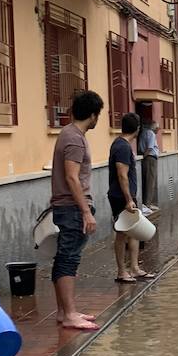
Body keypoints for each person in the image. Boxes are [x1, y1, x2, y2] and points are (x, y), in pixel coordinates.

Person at [50, 90, 104, 331]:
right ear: (93, 115)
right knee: (69, 258)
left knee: (64, 257)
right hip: (72, 207)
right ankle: (70, 313)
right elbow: (72, 177)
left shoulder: (70, 134)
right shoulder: (74, 138)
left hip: (69, 206)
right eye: (98, 115)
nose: (97, 120)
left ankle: (64, 311)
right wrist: (85, 211)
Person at [108, 112, 151, 283]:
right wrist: (128, 199)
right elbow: (122, 174)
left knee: (133, 232)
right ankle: (121, 272)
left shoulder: (121, 144)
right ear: (138, 129)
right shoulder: (123, 147)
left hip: (127, 196)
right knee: (121, 233)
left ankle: (134, 268)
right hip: (121, 197)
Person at [136, 110, 159, 211]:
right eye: (157, 128)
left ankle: (146, 203)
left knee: (145, 181)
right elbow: (149, 148)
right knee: (150, 181)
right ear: (153, 127)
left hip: (145, 157)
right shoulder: (151, 134)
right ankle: (148, 204)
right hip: (150, 158)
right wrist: (145, 157)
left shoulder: (143, 132)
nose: (158, 130)